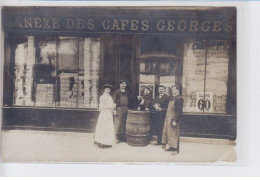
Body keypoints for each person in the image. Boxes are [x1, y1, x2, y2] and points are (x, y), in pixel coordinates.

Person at [162, 85, 184, 155]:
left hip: (173, 119)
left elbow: (179, 111)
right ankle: (171, 147)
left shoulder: (179, 98)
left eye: (174, 89)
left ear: (178, 90)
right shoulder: (173, 97)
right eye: (172, 89)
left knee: (175, 134)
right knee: (169, 133)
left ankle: (176, 149)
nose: (172, 91)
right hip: (168, 118)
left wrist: (175, 121)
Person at [94, 83, 116, 148]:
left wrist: (112, 110)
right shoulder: (102, 97)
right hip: (104, 113)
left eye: (109, 89)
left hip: (109, 113)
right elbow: (101, 106)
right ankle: (101, 142)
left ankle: (107, 142)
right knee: (103, 127)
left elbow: (111, 105)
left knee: (108, 127)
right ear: (104, 90)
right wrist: (111, 107)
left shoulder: (110, 97)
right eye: (107, 89)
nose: (108, 90)